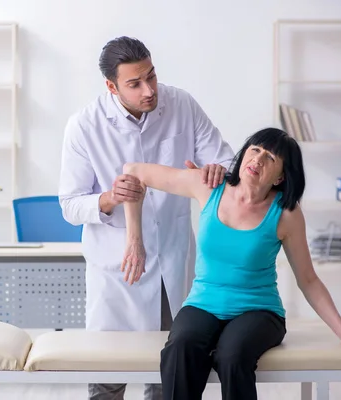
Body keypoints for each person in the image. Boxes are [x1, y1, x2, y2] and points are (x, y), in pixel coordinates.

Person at [120, 127, 341, 400]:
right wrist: (134, 238)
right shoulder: (208, 187)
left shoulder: (286, 214)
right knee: (179, 348)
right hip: (203, 303)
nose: (258, 159)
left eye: (270, 157)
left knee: (231, 356)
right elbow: (133, 170)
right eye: (255, 149)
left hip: (259, 311)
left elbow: (308, 279)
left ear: (281, 176)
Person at [58, 36, 236, 400]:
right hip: (116, 271)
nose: (149, 90)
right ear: (111, 86)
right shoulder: (84, 126)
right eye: (135, 84)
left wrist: (214, 171)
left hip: (172, 261)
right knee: (107, 379)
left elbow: (228, 162)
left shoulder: (182, 105)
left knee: (168, 372)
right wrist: (109, 198)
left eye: (151, 76)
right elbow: (70, 205)